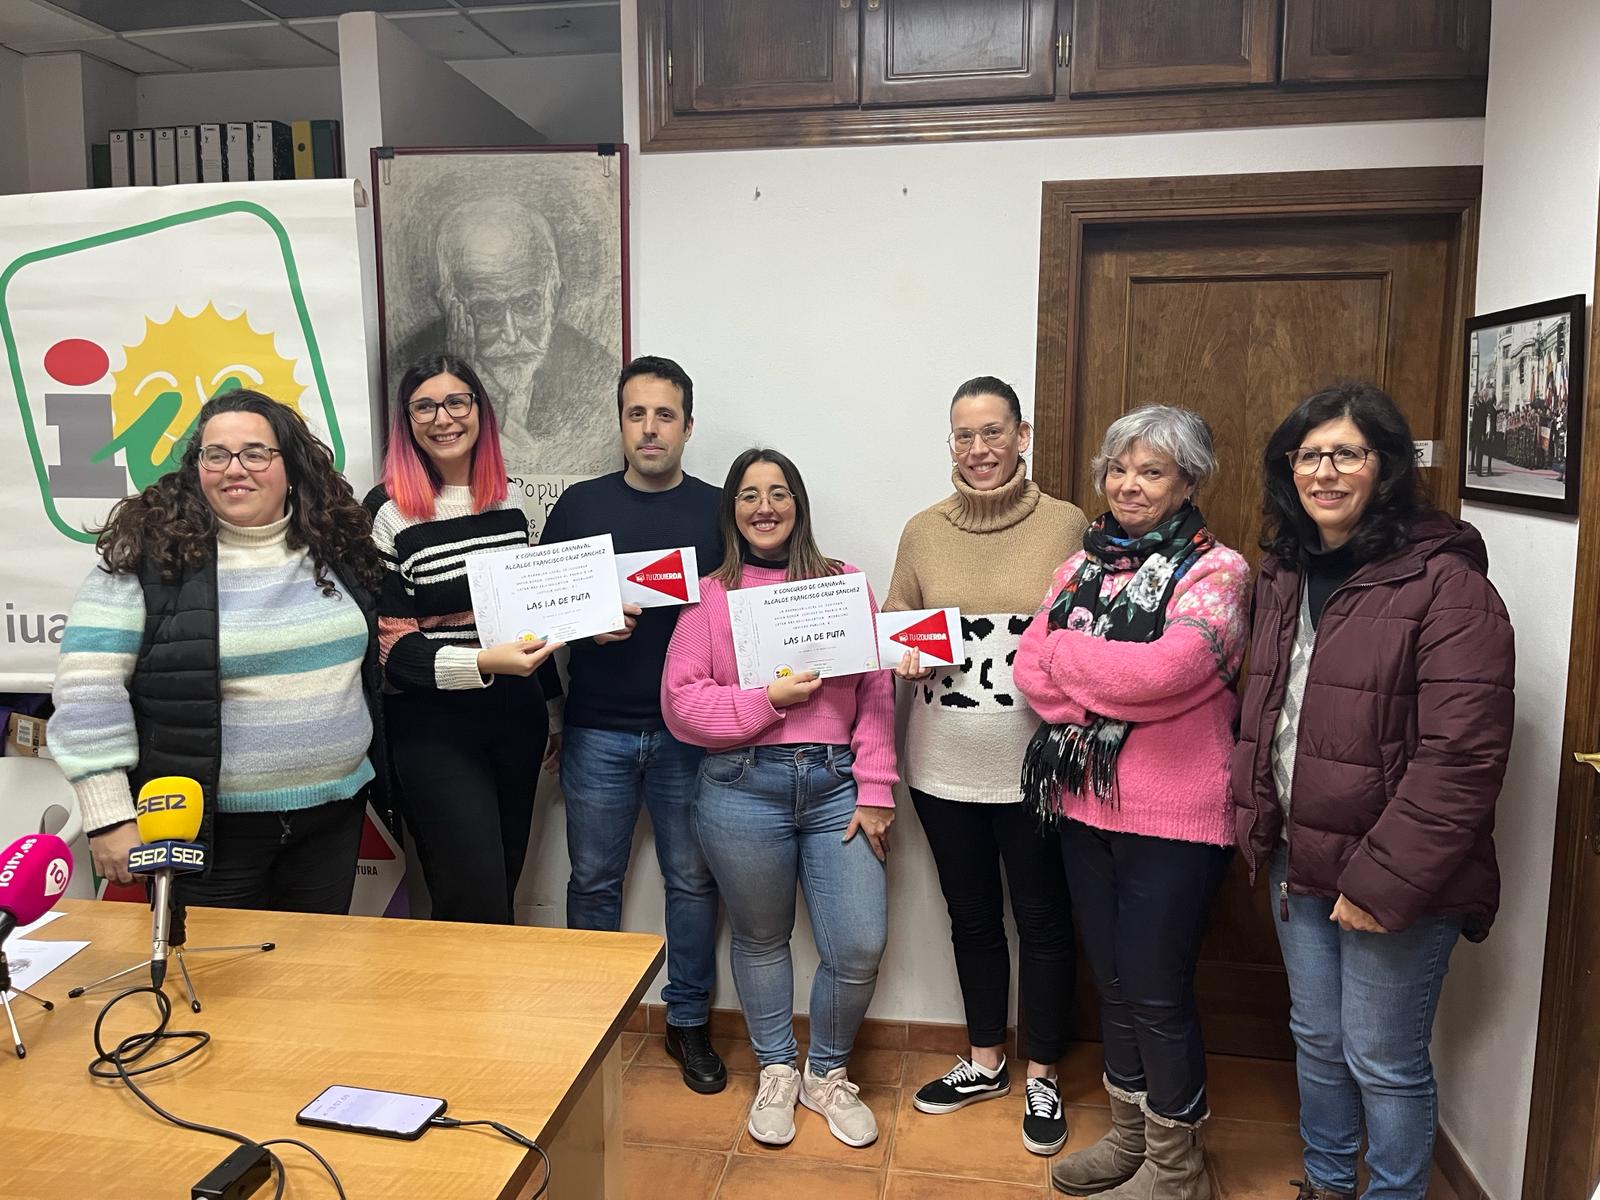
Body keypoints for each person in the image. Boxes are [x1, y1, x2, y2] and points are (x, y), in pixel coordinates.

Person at [1233, 383, 1514, 1200]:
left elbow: (1461, 757)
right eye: (1308, 455)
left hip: (1398, 878)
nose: (1324, 472)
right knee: (1316, 1039)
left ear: (1386, 465)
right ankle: (1326, 1184)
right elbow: (1269, 710)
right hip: (1298, 854)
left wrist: (1380, 881)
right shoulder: (1285, 570)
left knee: (1383, 1060)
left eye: (1346, 453)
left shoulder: (1447, 584)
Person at [1014, 405, 1249, 1200]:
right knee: (1111, 983)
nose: (1129, 485)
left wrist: (1072, 656)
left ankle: (1179, 1176)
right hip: (1086, 804)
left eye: (1151, 471)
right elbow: (1027, 670)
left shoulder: (1218, 572)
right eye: (1119, 469)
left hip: (1178, 819)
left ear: (1188, 481)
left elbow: (1171, 671)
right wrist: (1109, 676)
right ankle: (1129, 1142)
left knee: (1155, 988)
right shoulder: (1081, 567)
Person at [51, 389, 386, 913]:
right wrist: (110, 816)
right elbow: (87, 690)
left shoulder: (334, 544)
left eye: (256, 453)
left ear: (291, 465)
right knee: (217, 989)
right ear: (196, 467)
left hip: (333, 818)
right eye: (217, 455)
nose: (236, 469)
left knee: (314, 983)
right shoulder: (148, 554)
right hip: (205, 836)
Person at [662, 448, 896, 1150]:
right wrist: (766, 700)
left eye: (780, 492)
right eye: (749, 494)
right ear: (731, 509)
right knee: (761, 939)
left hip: (837, 790)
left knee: (858, 944)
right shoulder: (710, 596)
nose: (765, 506)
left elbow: (878, 692)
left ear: (799, 503)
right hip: (741, 788)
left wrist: (878, 788)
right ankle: (776, 1070)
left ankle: (825, 1072)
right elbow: (680, 704)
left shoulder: (843, 583)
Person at [885, 376, 1087, 1155]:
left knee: (1040, 918)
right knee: (969, 916)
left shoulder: (1068, 526)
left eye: (992, 433)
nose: (978, 451)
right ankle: (984, 1060)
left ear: (1023, 435)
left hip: (1035, 765)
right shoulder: (922, 531)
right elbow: (897, 629)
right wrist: (899, 654)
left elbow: (1088, 637)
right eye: (963, 437)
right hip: (940, 764)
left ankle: (1041, 1071)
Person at [541, 355, 726, 1094]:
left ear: (687, 425)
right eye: (636, 414)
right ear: (620, 423)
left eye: (664, 415)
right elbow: (537, 614)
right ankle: (593, 1025)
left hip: (691, 733)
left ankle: (688, 1024)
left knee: (691, 881)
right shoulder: (580, 506)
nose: (650, 430)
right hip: (597, 729)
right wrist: (587, 628)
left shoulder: (720, 509)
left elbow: (745, 609)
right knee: (592, 883)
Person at [367, 354, 562, 924]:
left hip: (516, 717)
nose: (442, 418)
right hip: (434, 729)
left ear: (480, 412)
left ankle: (491, 1011)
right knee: (469, 896)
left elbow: (534, 619)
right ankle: (465, 1012)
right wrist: (481, 660)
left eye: (457, 402)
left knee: (502, 879)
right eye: (424, 406)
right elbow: (391, 649)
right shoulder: (386, 513)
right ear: (407, 421)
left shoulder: (513, 502)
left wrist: (551, 711)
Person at [401, 196, 618, 476]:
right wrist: (464, 381)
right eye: (487, 309)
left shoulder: (598, 378)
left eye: (527, 304)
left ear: (555, 298)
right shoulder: (407, 370)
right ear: (448, 304)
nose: (512, 335)